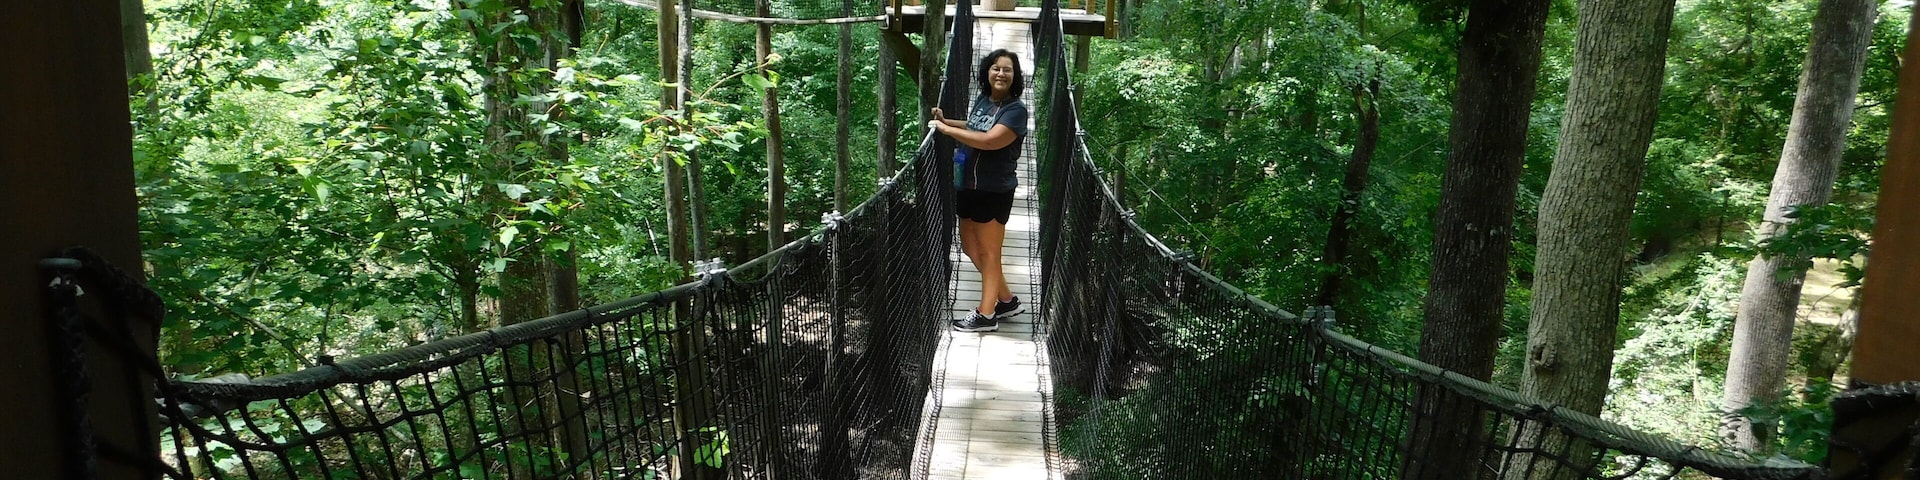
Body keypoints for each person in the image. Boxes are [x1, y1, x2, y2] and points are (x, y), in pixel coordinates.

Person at [929, 49, 1028, 333]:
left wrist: (947, 132)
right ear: (987, 72)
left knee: (989, 252)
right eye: (996, 68)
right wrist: (948, 122)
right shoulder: (984, 100)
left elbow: (989, 141)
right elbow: (975, 127)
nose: (1001, 74)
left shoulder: (1016, 111)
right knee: (971, 247)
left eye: (1007, 69)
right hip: (968, 184)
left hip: (993, 189)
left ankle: (986, 315)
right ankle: (1006, 300)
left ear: (1015, 76)